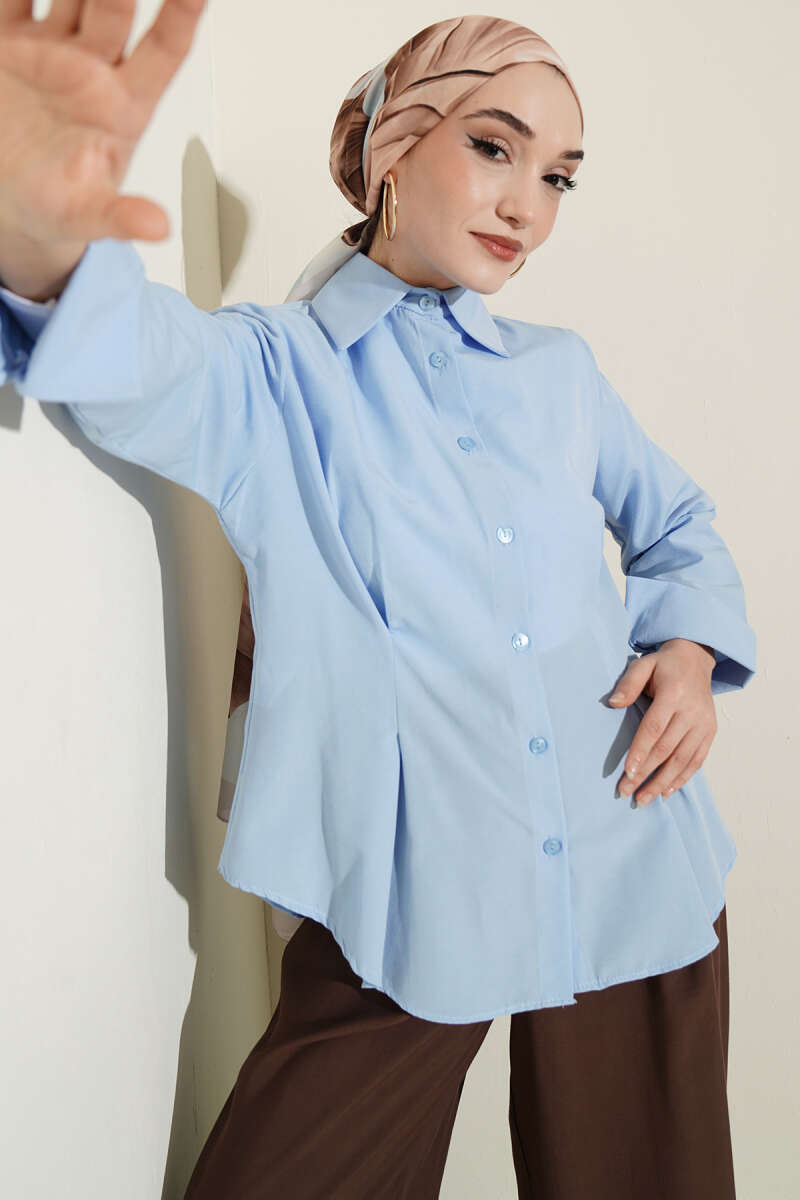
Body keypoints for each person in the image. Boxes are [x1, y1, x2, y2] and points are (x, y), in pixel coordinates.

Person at [0, 5, 755, 1197]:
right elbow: (137, 363)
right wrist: (39, 238)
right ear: (391, 145)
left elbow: (676, 525)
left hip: (630, 839)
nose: (526, 206)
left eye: (557, 176)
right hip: (410, 895)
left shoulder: (559, 375)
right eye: (494, 148)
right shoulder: (274, 373)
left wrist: (690, 652)